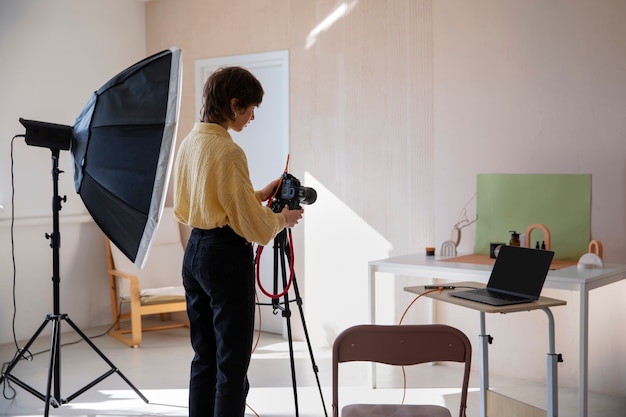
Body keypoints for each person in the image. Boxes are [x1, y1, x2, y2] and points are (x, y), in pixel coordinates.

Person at [173, 66, 303, 417]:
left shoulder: (191, 142)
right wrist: (283, 220)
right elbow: (252, 227)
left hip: (195, 253)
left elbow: (204, 201)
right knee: (231, 368)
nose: (252, 117)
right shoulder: (229, 152)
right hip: (225, 260)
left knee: (205, 358)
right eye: (250, 109)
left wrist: (257, 194)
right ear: (233, 104)